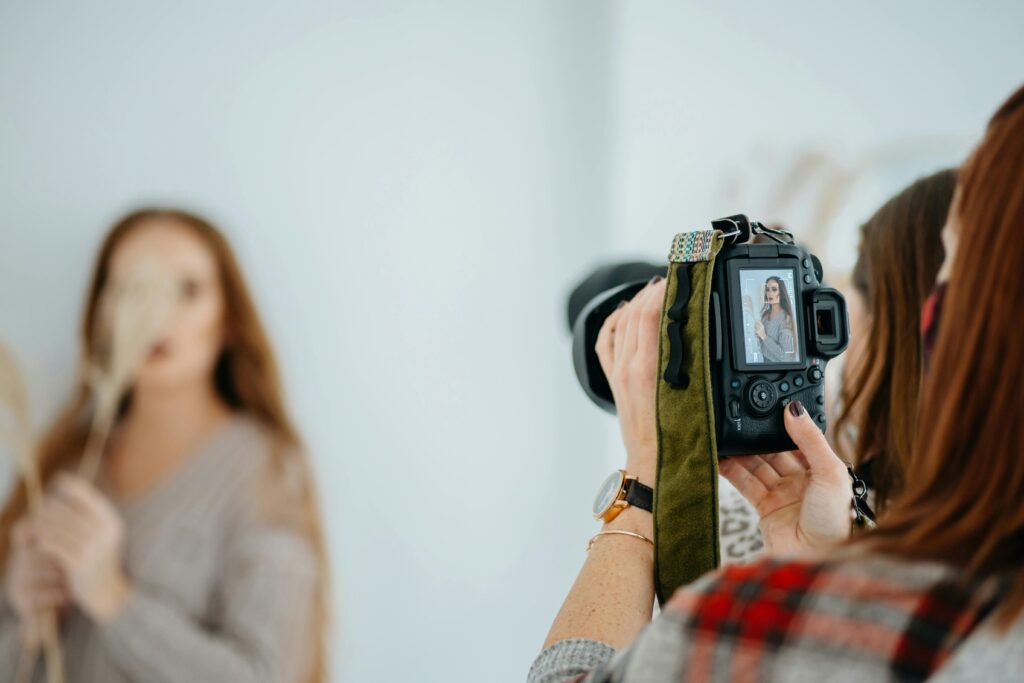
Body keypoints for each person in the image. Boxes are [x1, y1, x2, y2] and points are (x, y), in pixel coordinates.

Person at [531, 83, 1024, 682]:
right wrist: (824, 563)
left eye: (953, 262)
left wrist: (643, 484)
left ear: (945, 325)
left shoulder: (865, 617)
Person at [0, 209, 329, 683]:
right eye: (128, 288)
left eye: (186, 290)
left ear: (228, 320)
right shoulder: (65, 464)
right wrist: (23, 623)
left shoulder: (268, 470)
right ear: (101, 315)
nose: (154, 313)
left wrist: (113, 597)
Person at [753, 276, 797, 362]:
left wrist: (764, 336)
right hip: (764, 363)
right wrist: (759, 337)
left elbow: (785, 357)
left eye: (774, 289)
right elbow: (763, 346)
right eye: (767, 290)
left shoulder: (786, 319)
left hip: (779, 369)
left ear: (781, 292)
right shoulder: (765, 315)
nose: (769, 293)